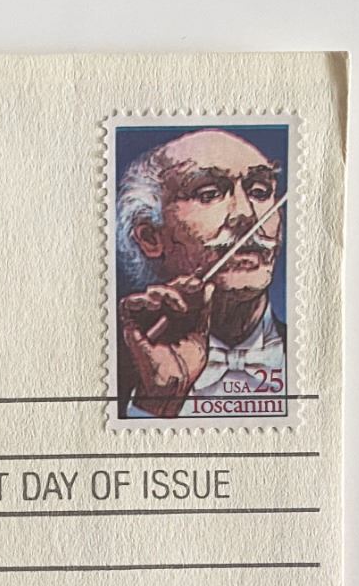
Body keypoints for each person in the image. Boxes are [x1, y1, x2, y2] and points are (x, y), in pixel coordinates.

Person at [115, 128, 287, 418]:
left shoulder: (317, 354)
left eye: (260, 192)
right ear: (150, 238)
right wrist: (155, 404)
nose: (246, 215)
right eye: (208, 194)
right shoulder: (111, 371)